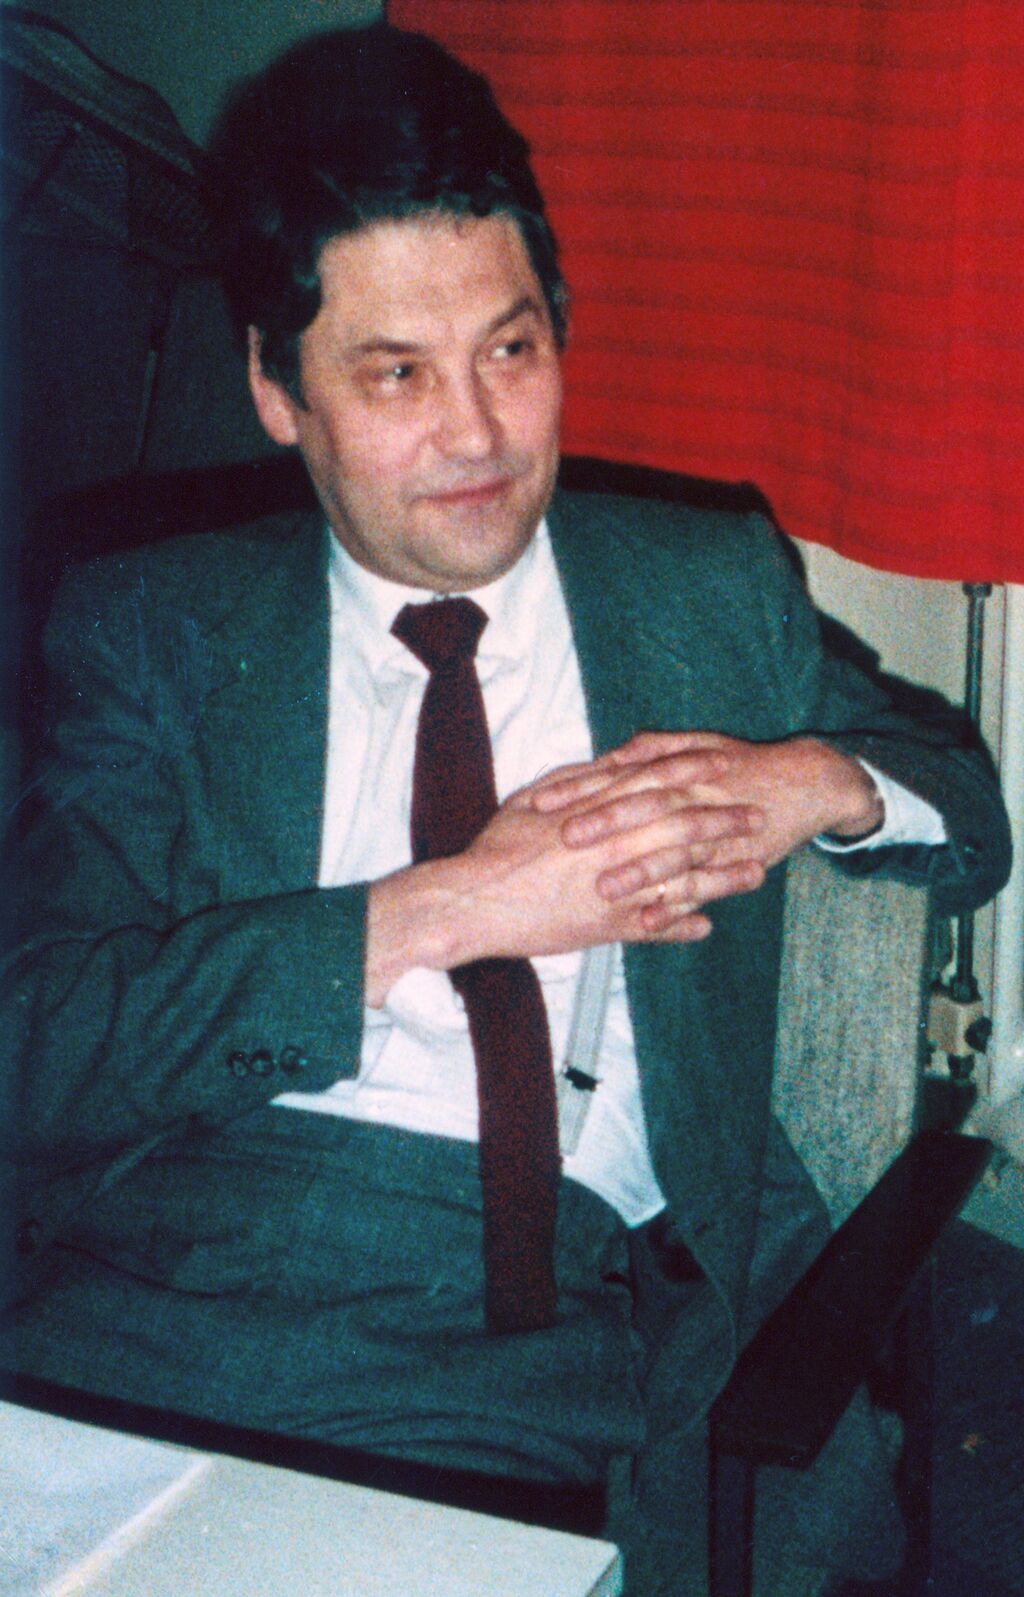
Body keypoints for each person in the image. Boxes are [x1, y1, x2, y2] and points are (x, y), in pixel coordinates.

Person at [2, 22, 1011, 1594]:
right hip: (155, 1288)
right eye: (396, 373)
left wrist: (816, 783)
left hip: (515, 1325)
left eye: (511, 349)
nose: (474, 434)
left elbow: (968, 811)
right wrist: (448, 909)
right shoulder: (158, 624)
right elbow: (38, 1046)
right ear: (277, 388)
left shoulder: (699, 589)